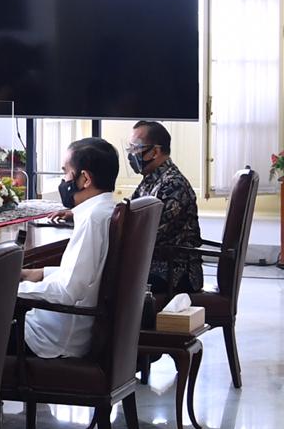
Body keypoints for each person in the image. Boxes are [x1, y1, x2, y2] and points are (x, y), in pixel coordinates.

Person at [16, 137, 118, 358]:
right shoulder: (108, 211)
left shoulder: (93, 220)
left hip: (51, 341)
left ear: (85, 178)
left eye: (65, 173)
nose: (62, 181)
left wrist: (10, 290)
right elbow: (87, 277)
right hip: (64, 330)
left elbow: (68, 292)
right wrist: (39, 273)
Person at [129, 120, 202, 297]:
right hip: (153, 263)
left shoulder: (173, 185)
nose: (131, 154)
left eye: (136, 148)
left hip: (175, 271)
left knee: (106, 277)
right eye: (130, 148)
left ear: (155, 151)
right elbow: (129, 213)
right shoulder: (152, 178)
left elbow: (149, 233)